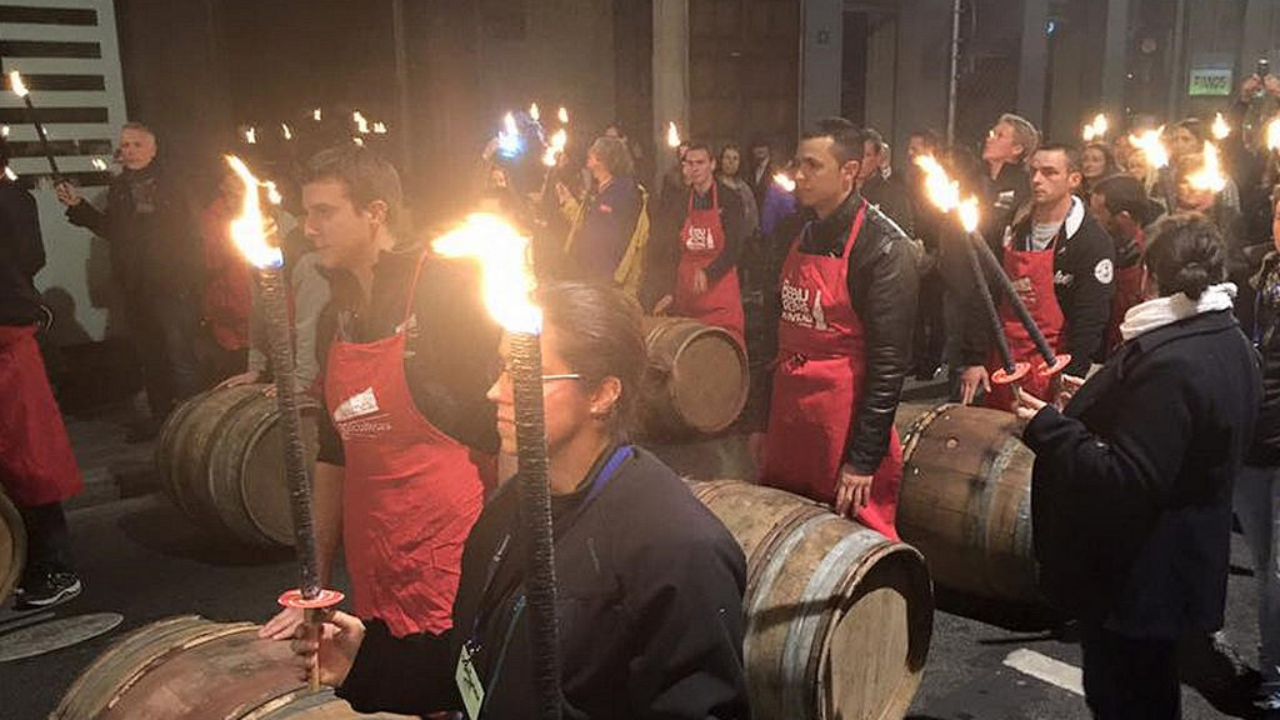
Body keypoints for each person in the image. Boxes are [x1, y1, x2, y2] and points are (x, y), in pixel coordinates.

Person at [291, 283, 750, 720]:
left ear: (601, 394)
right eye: (502, 368)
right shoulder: (514, 505)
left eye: (525, 373)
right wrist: (363, 661)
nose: (495, 391)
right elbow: (478, 663)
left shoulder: (676, 549)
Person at [1015, 213, 1261, 720]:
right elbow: (1179, 435)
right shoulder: (1227, 337)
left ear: (1149, 275)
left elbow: (1126, 477)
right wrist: (1097, 400)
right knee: (1151, 695)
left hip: (1140, 578)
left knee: (1127, 699)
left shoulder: (1172, 359)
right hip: (1179, 567)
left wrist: (1048, 427)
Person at [258, 146, 500, 648]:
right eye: (306, 213)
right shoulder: (336, 315)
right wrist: (314, 584)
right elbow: (333, 453)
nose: (309, 228)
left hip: (452, 551)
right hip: (378, 555)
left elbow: (505, 427)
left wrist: (511, 560)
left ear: (375, 213)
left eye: (324, 212)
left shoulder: (444, 290)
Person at [751, 118, 918, 539]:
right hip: (789, 416)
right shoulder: (794, 230)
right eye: (798, 163)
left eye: (813, 165)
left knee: (844, 540)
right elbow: (771, 335)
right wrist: (758, 420)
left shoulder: (884, 247)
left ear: (849, 171)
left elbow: (888, 366)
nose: (799, 175)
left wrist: (863, 459)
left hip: (842, 424)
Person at [55, 122, 202, 440]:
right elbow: (113, 230)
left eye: (137, 144)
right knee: (150, 355)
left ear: (153, 149)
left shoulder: (172, 184)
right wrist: (79, 206)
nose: (130, 151)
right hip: (137, 287)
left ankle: (196, 423)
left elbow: (192, 234)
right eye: (125, 145)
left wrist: (185, 276)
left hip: (170, 283)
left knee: (179, 353)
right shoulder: (120, 187)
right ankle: (162, 418)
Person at [959, 144, 1115, 409]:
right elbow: (983, 291)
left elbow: (1091, 315)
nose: (1037, 180)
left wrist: (1073, 376)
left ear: (1073, 179)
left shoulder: (1090, 239)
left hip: (1054, 364)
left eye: (1049, 172)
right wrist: (974, 358)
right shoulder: (1011, 225)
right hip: (1004, 359)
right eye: (1033, 171)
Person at [0, 140, 84, 609]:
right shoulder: (16, 199)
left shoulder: (11, 200)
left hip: (8, 338)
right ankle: (28, 562)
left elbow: (28, 259)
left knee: (28, 459)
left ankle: (55, 566)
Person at [1240, 189, 1280, 718]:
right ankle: (1272, 660)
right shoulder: (1257, 275)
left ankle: (1275, 677)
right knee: (1263, 564)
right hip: (1253, 439)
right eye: (1278, 213)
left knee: (1279, 573)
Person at [649, 142, 747, 345]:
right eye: (690, 163)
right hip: (687, 294)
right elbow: (671, 250)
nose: (695, 168)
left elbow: (734, 248)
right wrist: (667, 290)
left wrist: (709, 273)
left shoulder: (730, 199)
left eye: (700, 163)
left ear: (712, 164)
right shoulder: (680, 201)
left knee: (723, 348)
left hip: (720, 293)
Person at [556, 136, 649, 298]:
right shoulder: (598, 190)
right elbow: (586, 225)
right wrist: (567, 202)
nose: (588, 158)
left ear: (604, 160)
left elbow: (625, 238)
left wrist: (616, 278)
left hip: (609, 278)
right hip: (590, 272)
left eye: (593, 154)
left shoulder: (626, 192)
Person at [1090, 174, 1156, 356]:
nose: (1092, 219)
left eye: (1098, 213)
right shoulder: (1095, 248)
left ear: (1123, 218)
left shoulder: (1151, 259)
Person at [198, 169, 252, 386]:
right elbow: (209, 261)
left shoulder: (264, 216)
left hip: (258, 307)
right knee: (233, 370)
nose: (233, 198)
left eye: (239, 192)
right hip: (227, 305)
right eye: (229, 192)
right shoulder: (213, 218)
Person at [858, 128, 914, 237]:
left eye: (867, 155)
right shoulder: (841, 190)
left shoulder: (893, 195)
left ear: (878, 158)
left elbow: (902, 237)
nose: (860, 160)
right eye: (857, 154)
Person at [717, 142, 761, 237]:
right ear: (721, 160)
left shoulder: (744, 189)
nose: (731, 162)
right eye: (727, 157)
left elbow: (753, 218)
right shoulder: (713, 185)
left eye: (735, 159)